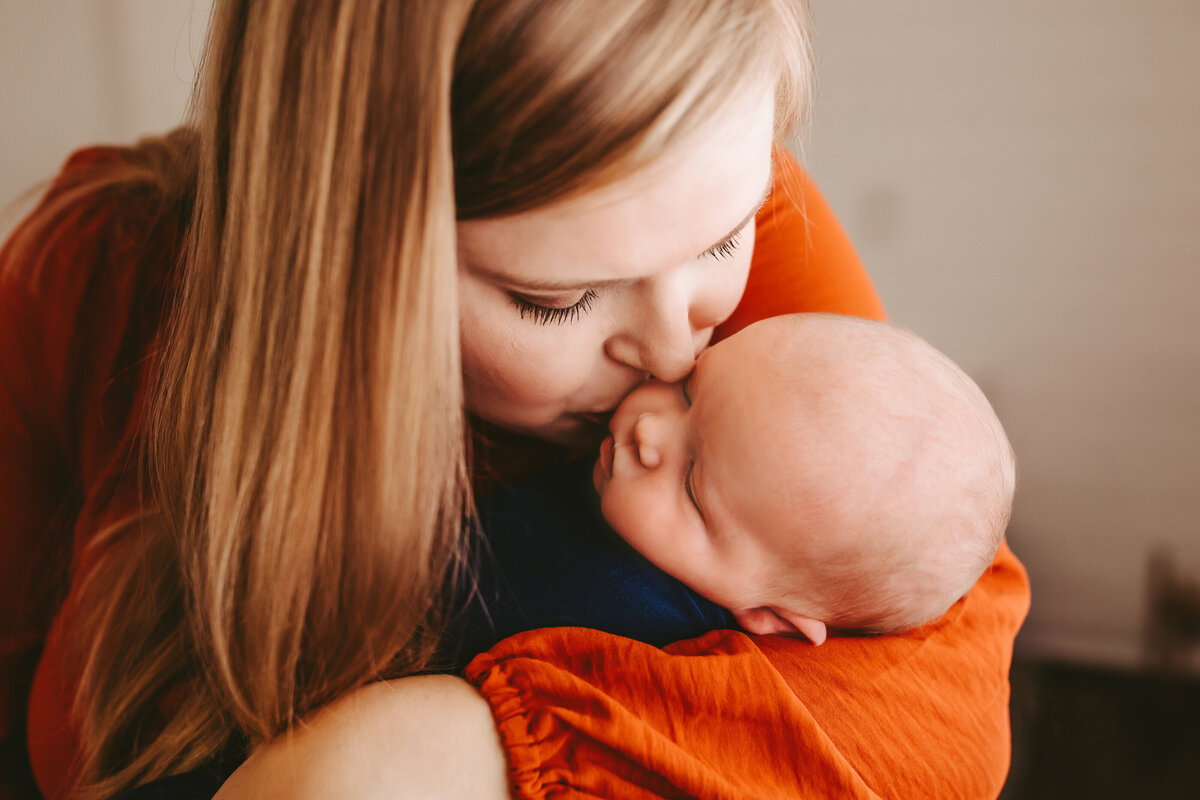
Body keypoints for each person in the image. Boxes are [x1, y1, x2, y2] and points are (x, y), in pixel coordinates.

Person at [0, 2, 1029, 800]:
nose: (679, 347)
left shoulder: (721, 208)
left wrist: (415, 749)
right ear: (340, 248)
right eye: (558, 298)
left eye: (726, 235)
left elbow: (940, 664)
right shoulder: (92, 274)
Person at [444, 312, 1015, 669]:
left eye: (692, 486)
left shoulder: (594, 610)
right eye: (691, 389)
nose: (650, 431)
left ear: (770, 615)